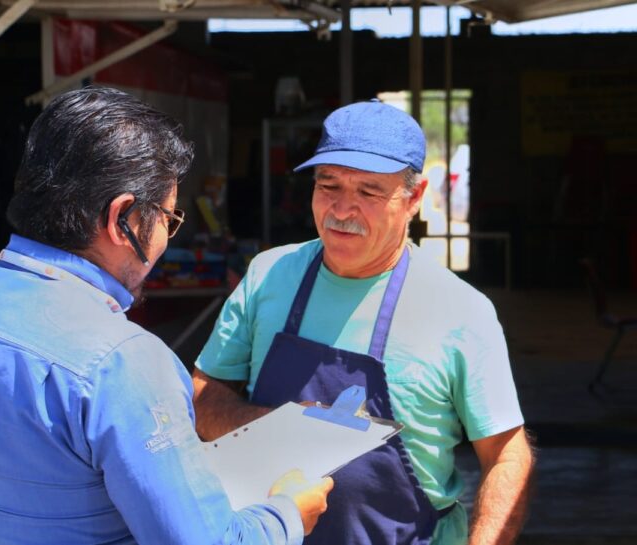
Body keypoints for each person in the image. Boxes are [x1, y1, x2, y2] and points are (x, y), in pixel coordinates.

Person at [0, 87, 332, 545]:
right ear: (123, 218)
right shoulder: (123, 361)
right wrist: (287, 513)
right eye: (167, 218)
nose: (166, 238)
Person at [193, 99, 534, 545]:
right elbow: (202, 396)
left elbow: (508, 456)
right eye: (328, 185)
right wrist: (277, 427)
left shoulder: (461, 311)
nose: (342, 210)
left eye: (369, 192)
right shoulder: (268, 275)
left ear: (414, 197)